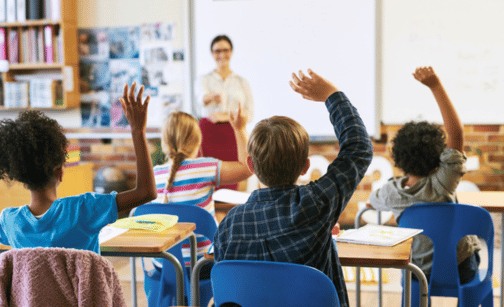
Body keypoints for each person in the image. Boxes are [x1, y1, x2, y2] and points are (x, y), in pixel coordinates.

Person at [214, 69, 373, 307]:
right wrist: (332, 94)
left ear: (251, 165)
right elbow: (358, 148)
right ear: (305, 167)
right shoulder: (315, 205)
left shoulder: (229, 225)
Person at [0, 83, 157, 254]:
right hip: (83, 282)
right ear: (59, 172)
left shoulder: (8, 221)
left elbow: (3, 237)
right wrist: (137, 131)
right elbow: (146, 192)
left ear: (20, 175)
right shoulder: (83, 210)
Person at [368, 67, 481, 287]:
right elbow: (456, 133)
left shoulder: (392, 193)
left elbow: (373, 201)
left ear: (398, 158)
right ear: (440, 159)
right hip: (460, 270)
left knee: (408, 267)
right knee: (470, 251)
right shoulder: (443, 184)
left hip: (417, 275)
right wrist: (435, 86)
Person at [147, 102, 252, 274]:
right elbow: (248, 167)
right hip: (201, 267)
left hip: (163, 267)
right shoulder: (205, 168)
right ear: (197, 141)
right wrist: (240, 128)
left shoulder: (153, 176)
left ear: (164, 142)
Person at [198, 34, 254, 190]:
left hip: (233, 132)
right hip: (209, 133)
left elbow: (250, 112)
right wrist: (209, 97)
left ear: (231, 52)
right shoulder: (203, 80)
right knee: (208, 177)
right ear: (212, 53)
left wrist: (224, 116)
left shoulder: (242, 82)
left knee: (234, 177)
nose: (222, 54)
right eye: (217, 51)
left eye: (226, 50)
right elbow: (199, 102)